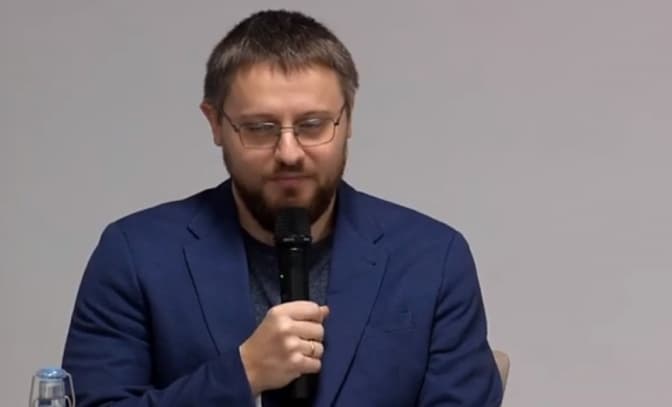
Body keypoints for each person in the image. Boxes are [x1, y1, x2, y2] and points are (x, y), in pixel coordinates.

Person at [62, 9, 503, 407]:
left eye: (312, 125)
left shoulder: (433, 258)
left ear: (348, 119)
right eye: (259, 128)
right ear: (215, 124)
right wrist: (242, 374)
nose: (289, 152)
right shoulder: (135, 254)